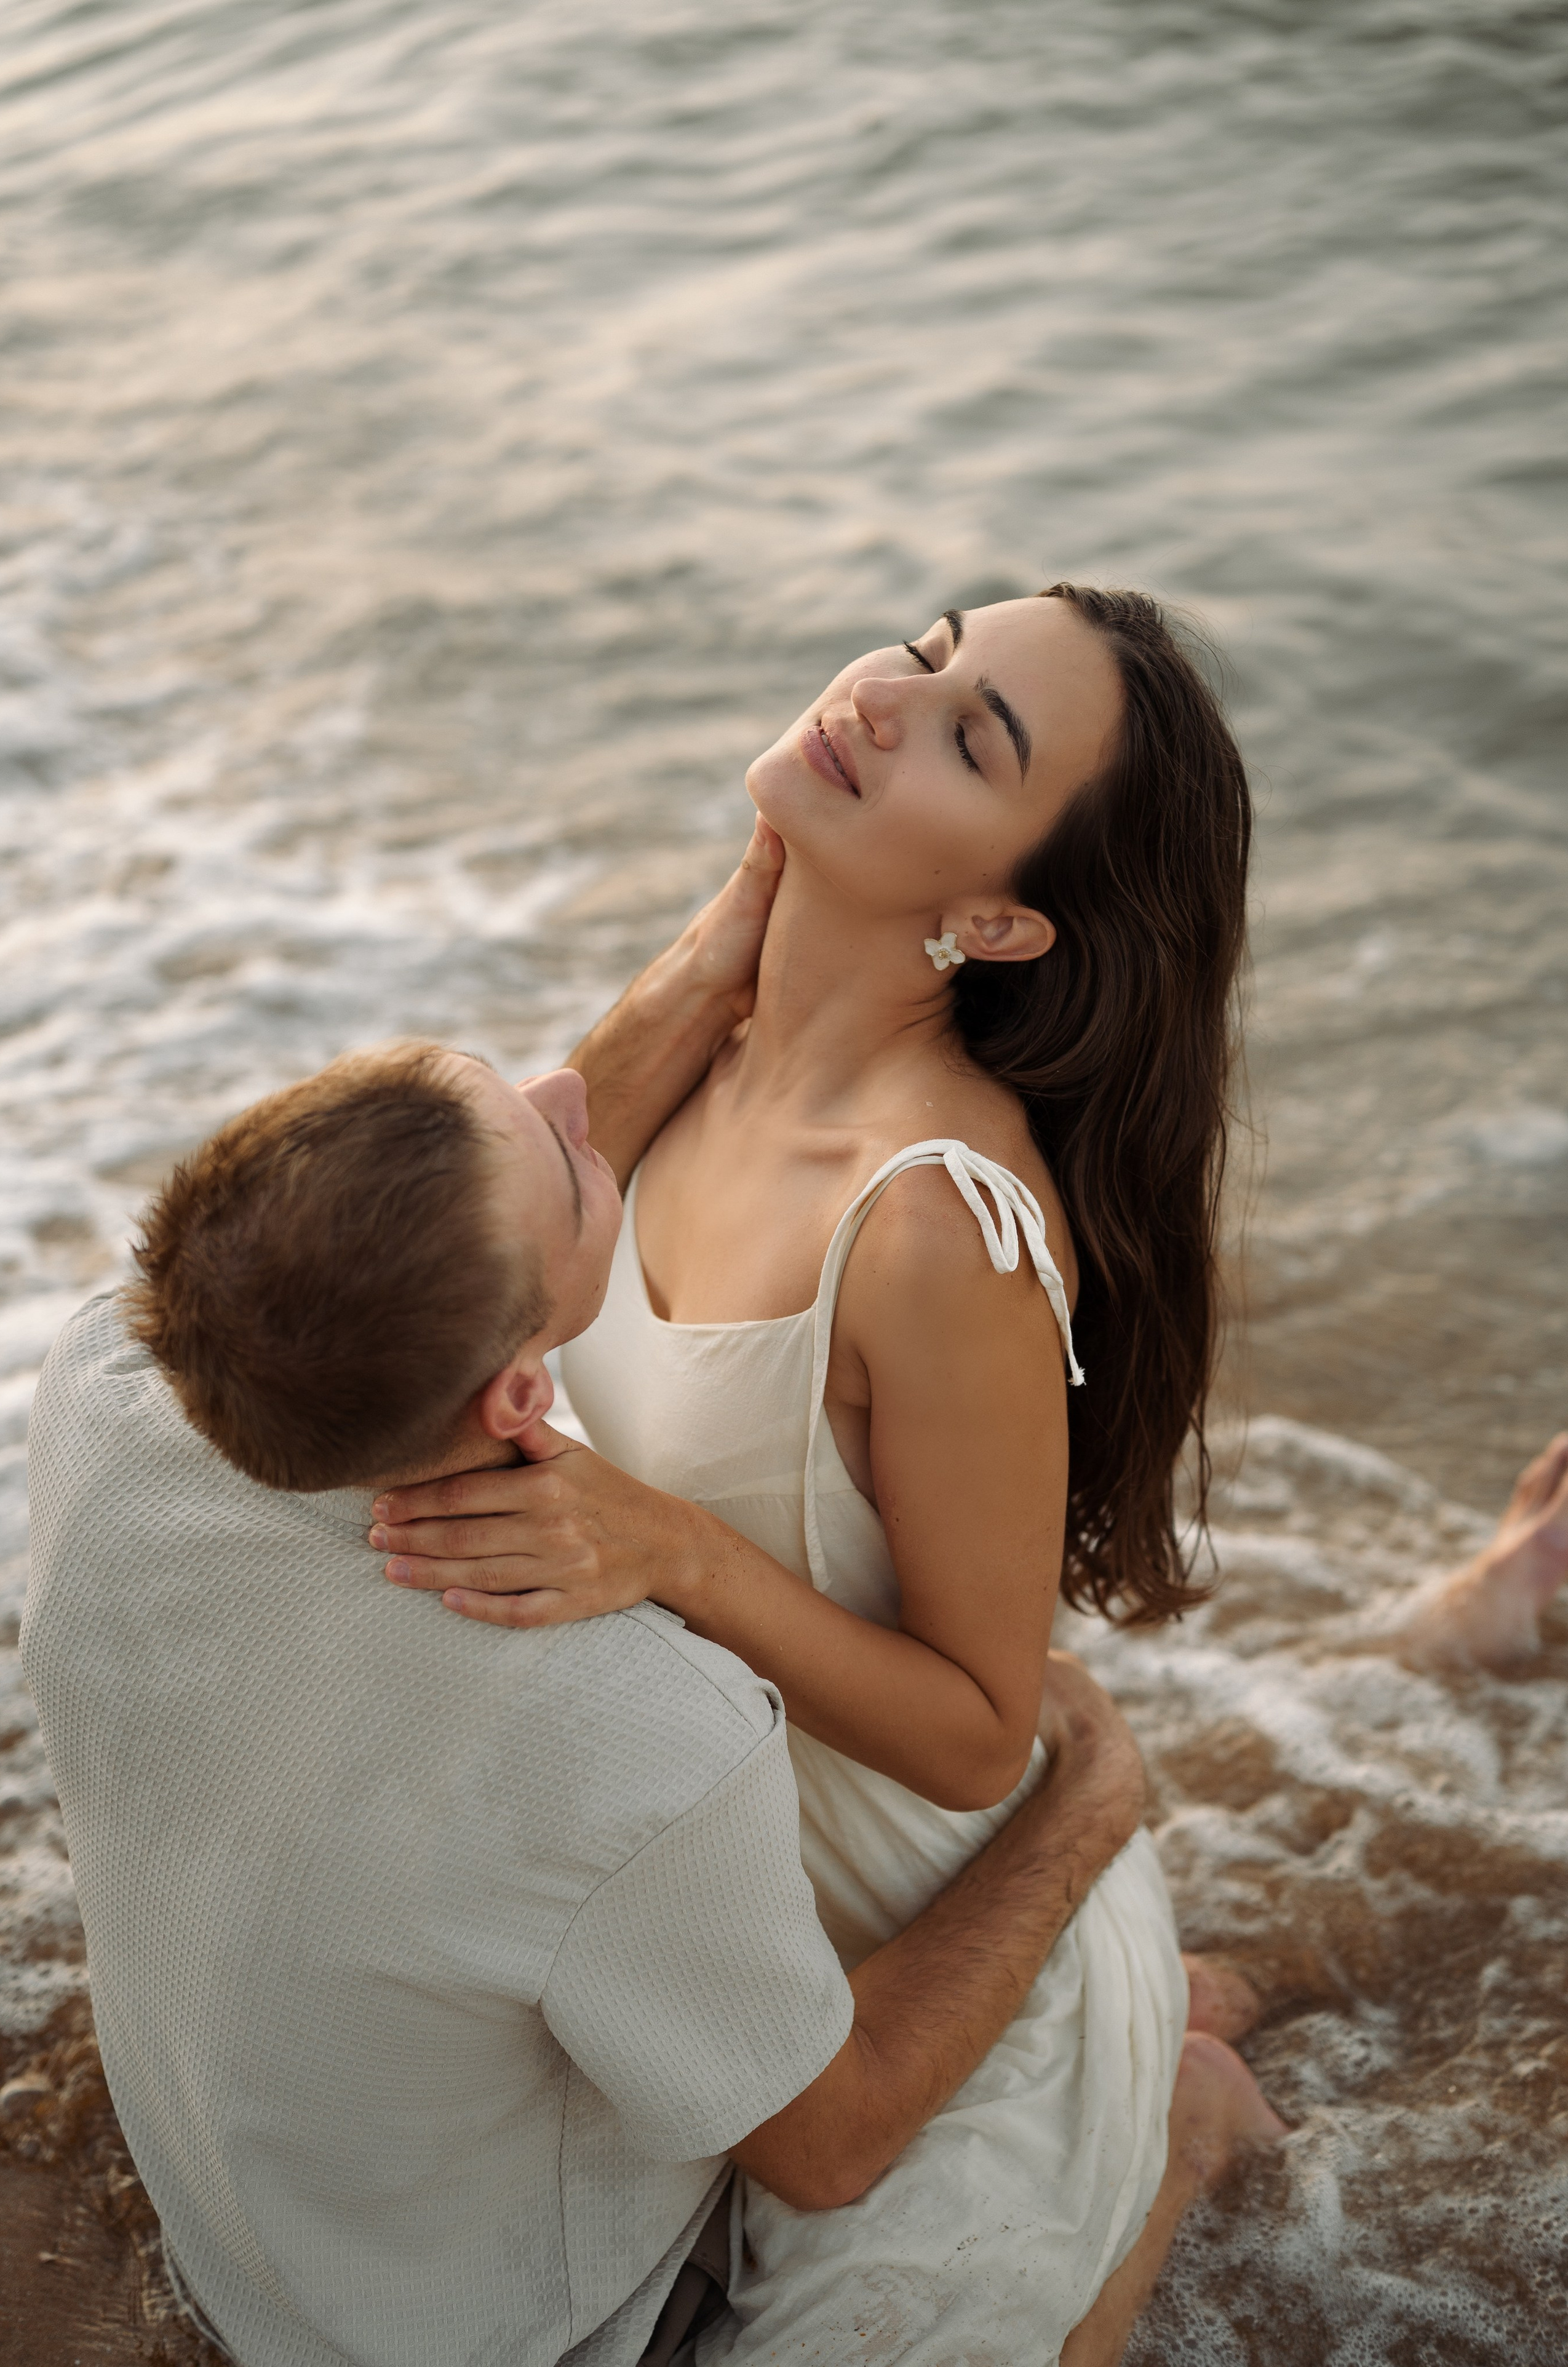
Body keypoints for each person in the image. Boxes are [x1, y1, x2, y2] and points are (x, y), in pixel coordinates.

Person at [20, 841, 1275, 2367]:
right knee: (989, 2316)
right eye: (563, 1156)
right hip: (499, 2325)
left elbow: (445, 1239)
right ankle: (1174, 2132)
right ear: (519, 1392)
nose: (575, 1092)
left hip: (245, 2212)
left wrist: (703, 967)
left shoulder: (99, 1389)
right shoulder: (630, 1721)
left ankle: (1162, 2013)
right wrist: (1093, 1797)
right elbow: (828, 2144)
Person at [370, 587, 1287, 2363]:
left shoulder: (937, 1223)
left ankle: (1165, 2119)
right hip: (681, 1914)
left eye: (971, 735)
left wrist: (673, 1552)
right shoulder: (690, 1056)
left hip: (899, 1942)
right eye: (930, 652)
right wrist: (730, 940)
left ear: (1001, 918)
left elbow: (976, 1727)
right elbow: (473, 1242)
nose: (887, 695)